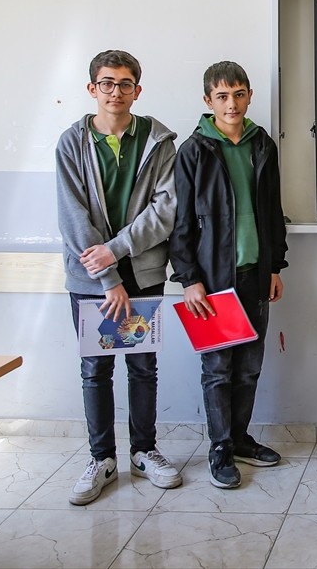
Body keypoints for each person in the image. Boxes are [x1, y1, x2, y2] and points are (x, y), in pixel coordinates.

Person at [56, 49, 183, 505]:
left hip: (144, 272)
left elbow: (165, 210)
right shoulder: (71, 143)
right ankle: (102, 459)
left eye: (125, 83)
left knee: (142, 366)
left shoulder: (158, 140)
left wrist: (116, 249)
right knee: (95, 369)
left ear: (137, 90)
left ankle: (144, 452)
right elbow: (73, 217)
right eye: (107, 83)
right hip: (92, 282)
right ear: (93, 89)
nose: (116, 92)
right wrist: (108, 275)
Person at [169, 61, 289, 489]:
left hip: (256, 274)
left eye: (238, 94)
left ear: (249, 95)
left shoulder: (263, 146)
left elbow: (273, 213)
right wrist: (189, 279)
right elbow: (181, 221)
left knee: (249, 368)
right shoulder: (194, 150)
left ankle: (239, 439)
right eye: (222, 96)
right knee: (218, 368)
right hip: (213, 281)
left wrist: (275, 265)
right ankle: (219, 447)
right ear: (208, 102)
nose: (231, 103)